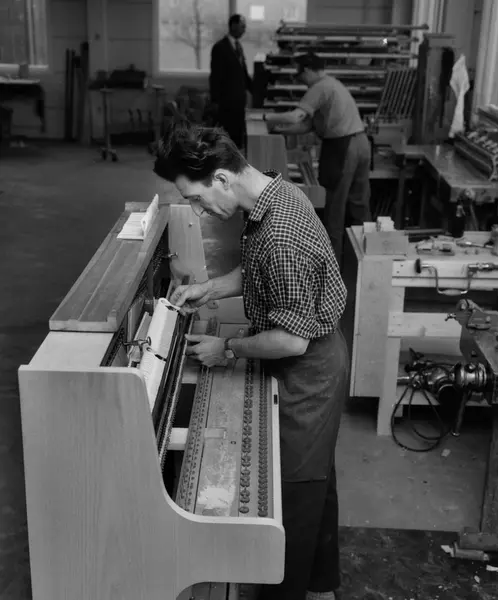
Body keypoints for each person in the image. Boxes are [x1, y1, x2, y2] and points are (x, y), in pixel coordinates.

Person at [154, 123, 350, 600]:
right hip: (310, 351)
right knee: (315, 477)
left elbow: (290, 341)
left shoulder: (282, 233)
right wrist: (210, 288)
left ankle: (288, 590)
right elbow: (259, 268)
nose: (198, 210)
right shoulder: (273, 195)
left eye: (197, 198)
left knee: (294, 492)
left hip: (309, 370)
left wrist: (227, 349)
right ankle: (323, 584)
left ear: (222, 178)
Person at [261, 51, 371, 265]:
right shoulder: (334, 85)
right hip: (361, 143)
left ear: (309, 70)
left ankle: (330, 268)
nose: (300, 81)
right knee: (359, 206)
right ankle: (364, 266)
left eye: (300, 75)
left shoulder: (319, 87)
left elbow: (296, 116)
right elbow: (305, 126)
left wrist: (266, 117)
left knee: (334, 210)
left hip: (343, 147)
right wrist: (278, 131)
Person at [209, 14, 252, 150]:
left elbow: (243, 74)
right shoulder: (220, 47)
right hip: (226, 102)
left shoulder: (238, 47)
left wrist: (257, 91)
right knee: (227, 137)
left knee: (238, 137)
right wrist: (215, 100)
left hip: (239, 101)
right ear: (233, 26)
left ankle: (235, 158)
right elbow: (215, 76)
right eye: (242, 26)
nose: (244, 30)